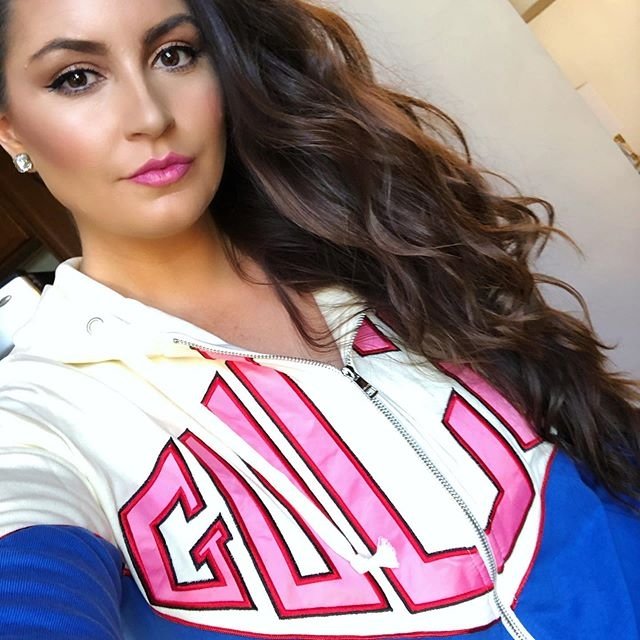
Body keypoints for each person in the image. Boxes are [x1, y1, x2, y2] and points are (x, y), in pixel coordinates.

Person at [0, 0, 638, 638]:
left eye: (175, 55)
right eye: (75, 78)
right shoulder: (40, 418)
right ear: (10, 129)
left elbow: (600, 448)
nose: (150, 116)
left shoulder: (386, 249)